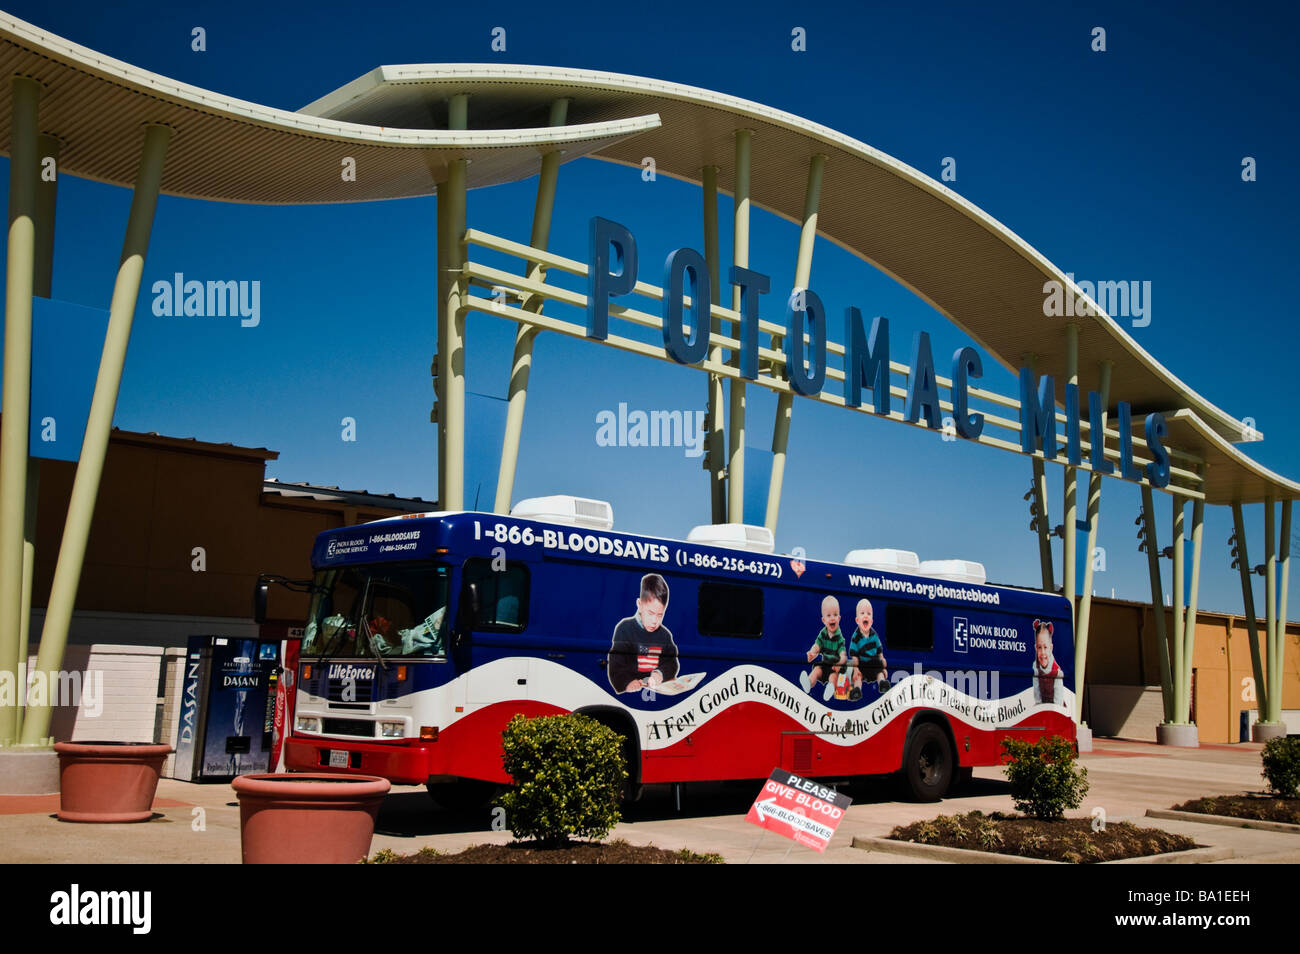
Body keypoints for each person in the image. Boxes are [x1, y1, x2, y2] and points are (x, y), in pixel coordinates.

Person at [607, 573, 680, 693]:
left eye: (660, 615)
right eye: (650, 613)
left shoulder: (665, 635)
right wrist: (627, 683)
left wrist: (660, 674)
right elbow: (616, 666)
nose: (654, 621)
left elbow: (672, 663)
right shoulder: (624, 629)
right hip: (632, 692)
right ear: (640, 605)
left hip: (655, 691)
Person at [800, 595, 847, 701]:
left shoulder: (839, 638)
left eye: (835, 615)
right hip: (825, 664)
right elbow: (817, 645)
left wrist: (839, 663)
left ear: (839, 618)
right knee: (816, 670)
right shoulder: (823, 633)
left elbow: (843, 655)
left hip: (835, 667)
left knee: (833, 677)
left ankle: (830, 689)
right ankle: (808, 683)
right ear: (824, 620)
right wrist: (812, 652)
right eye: (829, 615)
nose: (832, 618)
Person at [848, 598, 888, 701]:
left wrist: (883, 667)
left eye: (869, 614)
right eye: (862, 613)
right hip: (861, 664)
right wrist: (856, 669)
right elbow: (854, 656)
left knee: (879, 667)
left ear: (872, 621)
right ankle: (857, 689)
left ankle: (882, 683)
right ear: (857, 620)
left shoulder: (874, 635)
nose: (866, 615)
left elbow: (880, 653)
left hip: (873, 663)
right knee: (857, 676)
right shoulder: (855, 636)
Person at [1032, 619, 1064, 705]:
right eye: (1039, 647)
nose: (1042, 653)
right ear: (1035, 648)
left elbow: (1059, 701)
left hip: (1056, 708)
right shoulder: (1035, 666)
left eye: (1045, 647)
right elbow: (1037, 692)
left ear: (1051, 648)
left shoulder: (1056, 671)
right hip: (1043, 708)